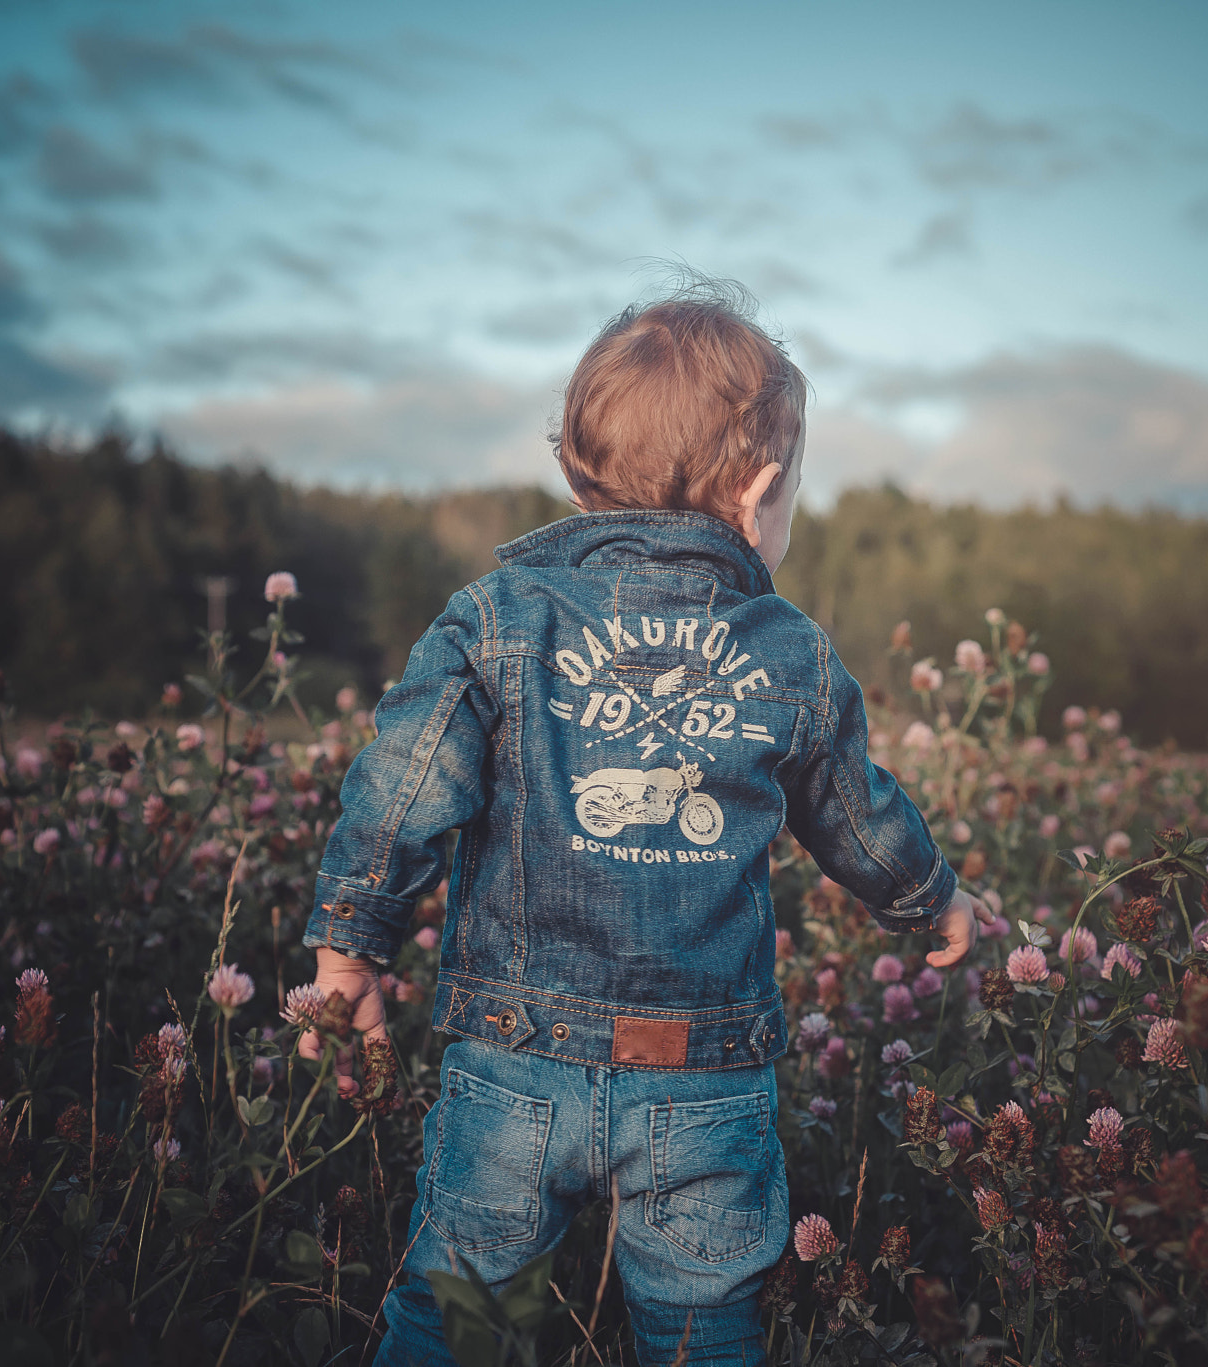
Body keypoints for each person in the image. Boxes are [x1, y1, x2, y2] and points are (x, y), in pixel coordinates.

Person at [299, 277, 989, 1364]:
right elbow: (854, 812)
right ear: (761, 491)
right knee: (699, 1327)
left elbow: (401, 785)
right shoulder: (789, 647)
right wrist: (929, 894)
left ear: (576, 472)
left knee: (463, 1319)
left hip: (511, 1061)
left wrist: (349, 948)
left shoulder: (494, 615)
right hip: (704, 1073)